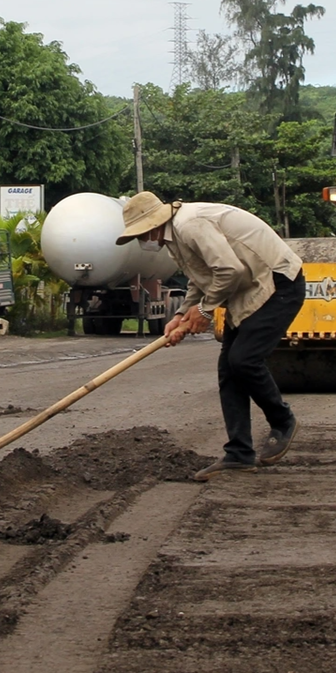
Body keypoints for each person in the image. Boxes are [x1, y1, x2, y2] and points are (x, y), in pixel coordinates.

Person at [118, 191, 306, 481]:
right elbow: (200, 277)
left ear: (152, 225)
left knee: (244, 360)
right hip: (247, 290)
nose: (142, 241)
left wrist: (204, 312)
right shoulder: (174, 236)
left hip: (277, 283)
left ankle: (282, 420)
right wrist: (181, 314)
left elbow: (231, 271)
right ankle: (239, 454)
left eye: (141, 234)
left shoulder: (190, 224)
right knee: (229, 370)